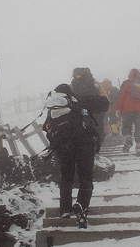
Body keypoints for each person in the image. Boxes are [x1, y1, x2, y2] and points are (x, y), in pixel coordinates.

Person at [50, 69, 109, 228]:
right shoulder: (87, 95)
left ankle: (64, 209)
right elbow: (104, 105)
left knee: (66, 177)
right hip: (84, 142)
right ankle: (82, 205)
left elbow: (47, 127)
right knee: (85, 178)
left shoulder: (61, 101)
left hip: (63, 145)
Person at [114, 68, 140, 156]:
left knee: (126, 127)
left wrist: (118, 109)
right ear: (139, 75)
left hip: (127, 109)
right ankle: (139, 147)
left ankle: (128, 139)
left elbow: (121, 97)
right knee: (139, 128)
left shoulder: (126, 83)